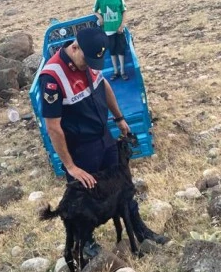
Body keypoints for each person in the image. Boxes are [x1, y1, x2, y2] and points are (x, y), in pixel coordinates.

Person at [39, 27, 168, 258]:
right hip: (80, 148)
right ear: (75, 47)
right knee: (84, 196)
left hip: (104, 136)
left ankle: (140, 229)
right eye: (85, 61)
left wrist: (119, 117)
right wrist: (70, 167)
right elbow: (53, 126)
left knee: (122, 186)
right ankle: (85, 243)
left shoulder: (90, 61)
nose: (88, 66)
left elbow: (104, 85)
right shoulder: (52, 76)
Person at [93, 0, 129, 81]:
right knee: (112, 50)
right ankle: (115, 71)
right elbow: (94, 10)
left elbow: (124, 11)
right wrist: (99, 17)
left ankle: (122, 71)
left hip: (119, 28)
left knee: (121, 49)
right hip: (108, 30)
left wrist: (122, 25)